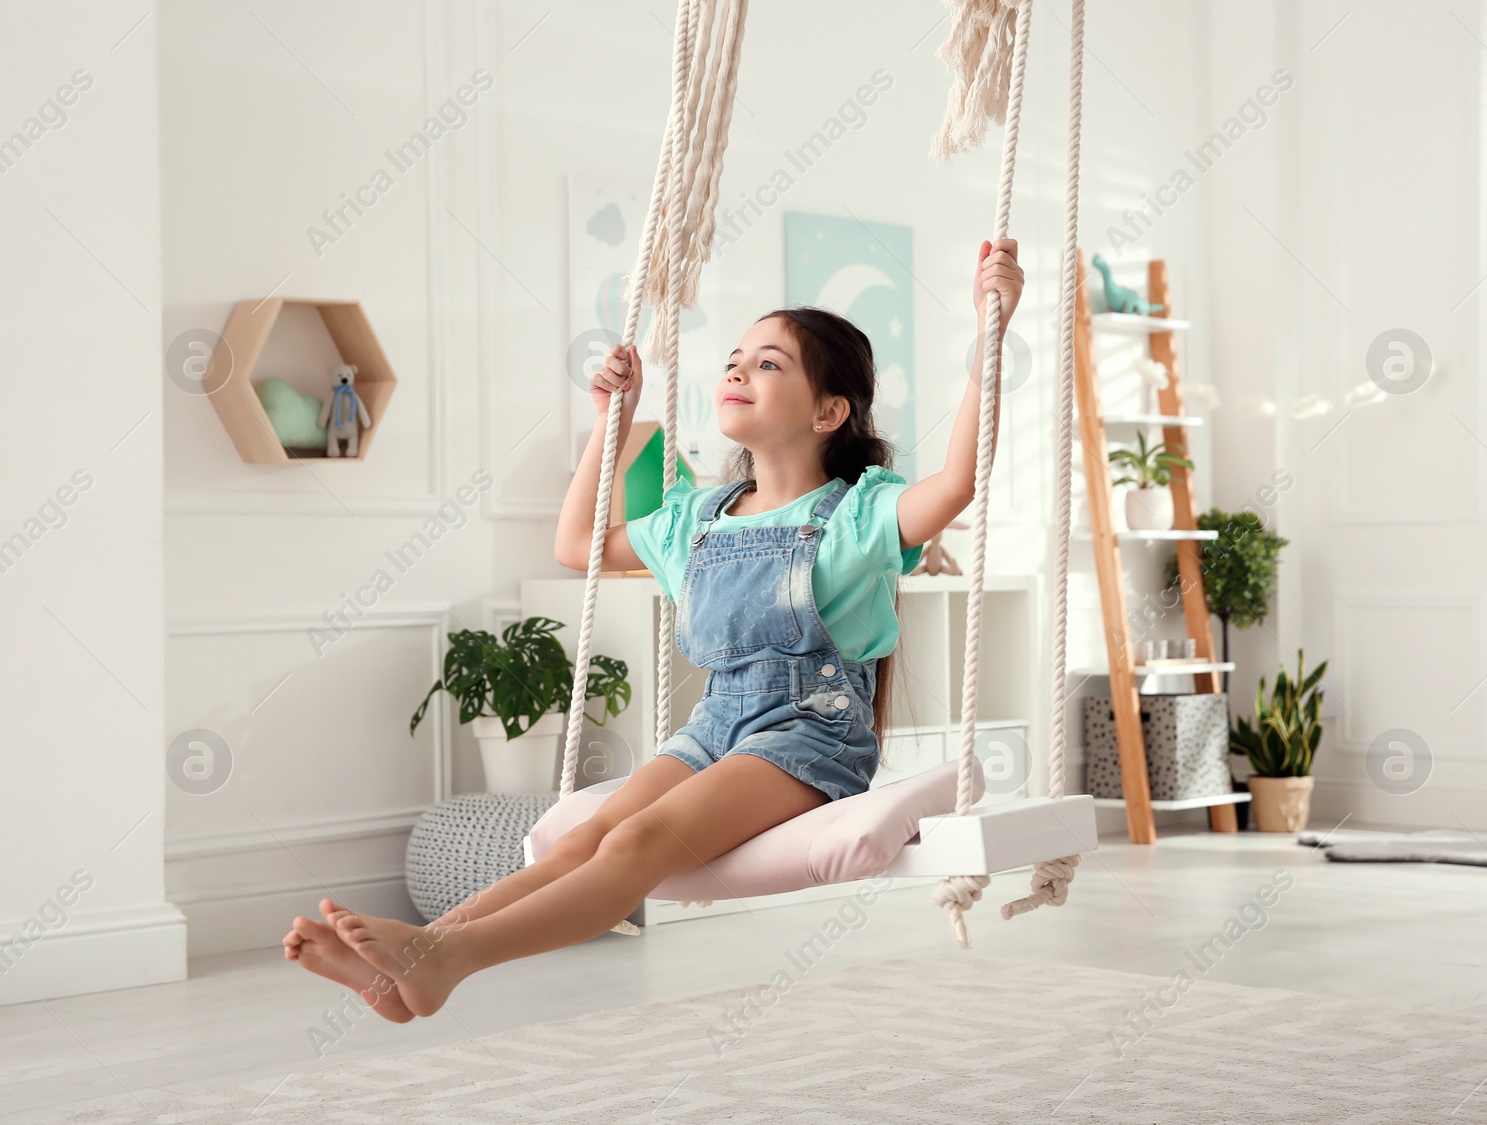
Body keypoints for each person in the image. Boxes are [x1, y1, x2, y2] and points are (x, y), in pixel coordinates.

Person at [281, 238, 1024, 1021]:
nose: (737, 370)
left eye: (769, 363)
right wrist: (613, 421)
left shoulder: (860, 514)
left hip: (809, 737)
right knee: (589, 837)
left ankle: (447, 959)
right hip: (716, 728)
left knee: (636, 845)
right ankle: (420, 958)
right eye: (735, 358)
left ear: (828, 411)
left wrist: (989, 329)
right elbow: (576, 547)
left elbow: (959, 480)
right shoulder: (697, 519)